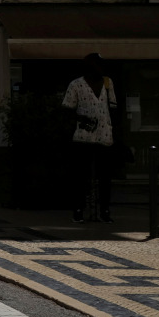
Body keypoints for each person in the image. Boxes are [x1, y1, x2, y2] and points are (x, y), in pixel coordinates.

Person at [63, 53, 118, 223]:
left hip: (104, 135)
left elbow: (113, 107)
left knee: (105, 177)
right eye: (98, 65)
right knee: (80, 176)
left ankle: (105, 210)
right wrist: (82, 119)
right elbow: (67, 109)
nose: (101, 69)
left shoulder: (108, 83)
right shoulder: (76, 85)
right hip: (83, 136)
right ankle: (78, 209)